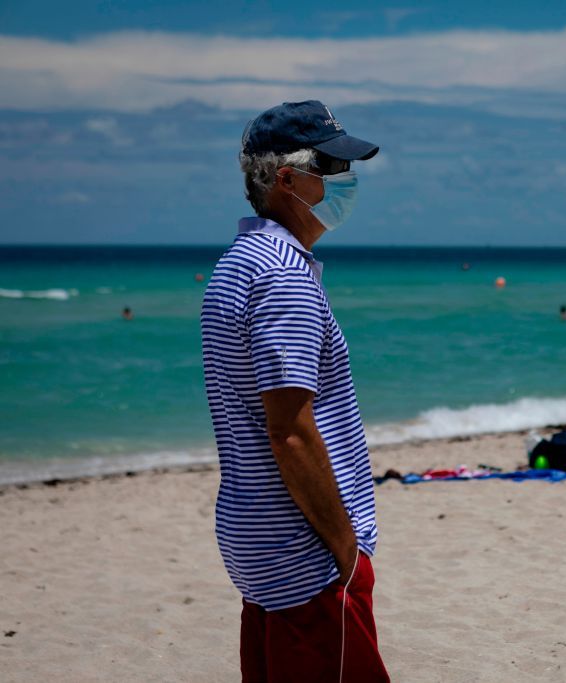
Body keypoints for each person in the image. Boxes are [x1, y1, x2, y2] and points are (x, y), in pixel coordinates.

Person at [200, 101, 389, 682]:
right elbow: (290, 431)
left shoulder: (238, 264)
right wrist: (346, 548)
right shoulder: (282, 277)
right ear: (287, 179)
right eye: (333, 167)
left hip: (259, 538)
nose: (347, 181)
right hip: (303, 549)